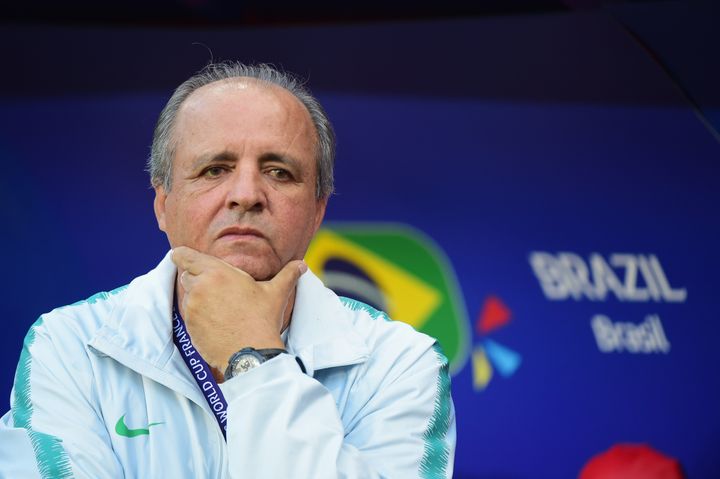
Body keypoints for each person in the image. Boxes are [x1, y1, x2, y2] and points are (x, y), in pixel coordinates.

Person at [0, 62, 456, 478]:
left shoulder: (400, 364)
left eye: (279, 172)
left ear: (317, 211)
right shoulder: (68, 347)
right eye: (215, 169)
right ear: (163, 204)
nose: (246, 193)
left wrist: (251, 357)